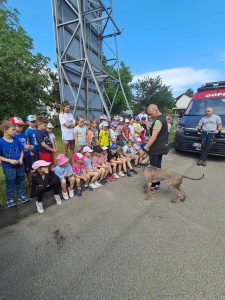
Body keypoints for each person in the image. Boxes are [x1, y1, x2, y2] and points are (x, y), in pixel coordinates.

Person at [0, 120, 29, 207]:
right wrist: (9, 161)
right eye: (13, 130)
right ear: (5, 130)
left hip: (19, 165)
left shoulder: (16, 139)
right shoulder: (1, 142)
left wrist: (20, 159)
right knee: (10, 182)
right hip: (8, 167)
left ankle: (21, 195)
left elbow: (21, 150)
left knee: (20, 180)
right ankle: (10, 199)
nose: (15, 131)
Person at [144, 104, 169, 192]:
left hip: (156, 148)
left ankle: (153, 186)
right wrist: (149, 126)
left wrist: (145, 147)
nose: (150, 116)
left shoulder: (158, 121)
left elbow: (153, 137)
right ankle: (157, 185)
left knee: (153, 168)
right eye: (148, 114)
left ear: (156, 110)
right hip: (161, 147)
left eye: (151, 114)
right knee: (158, 166)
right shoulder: (163, 118)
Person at [12, 117, 33, 184]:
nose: (21, 127)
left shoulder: (23, 135)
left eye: (22, 125)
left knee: (28, 170)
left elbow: (27, 143)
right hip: (19, 157)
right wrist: (24, 147)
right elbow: (13, 148)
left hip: (27, 155)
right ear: (12, 126)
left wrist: (30, 148)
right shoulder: (12, 137)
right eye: (19, 125)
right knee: (19, 172)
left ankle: (31, 182)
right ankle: (20, 185)